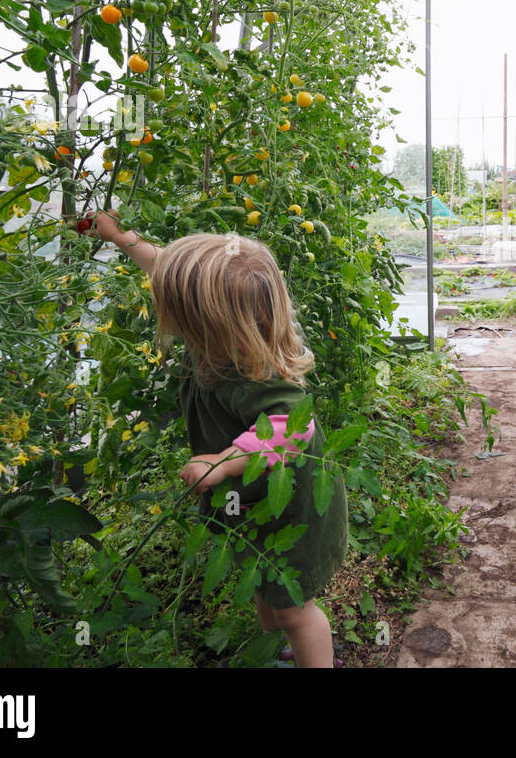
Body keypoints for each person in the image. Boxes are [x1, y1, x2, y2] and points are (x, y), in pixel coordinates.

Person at [86, 209, 347, 668]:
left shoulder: (252, 371)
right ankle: (280, 650)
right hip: (257, 503)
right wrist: (119, 236)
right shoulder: (222, 338)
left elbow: (294, 427)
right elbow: (161, 264)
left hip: (292, 507)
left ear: (206, 320)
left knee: (294, 608)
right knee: (266, 584)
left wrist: (224, 461)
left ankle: (306, 653)